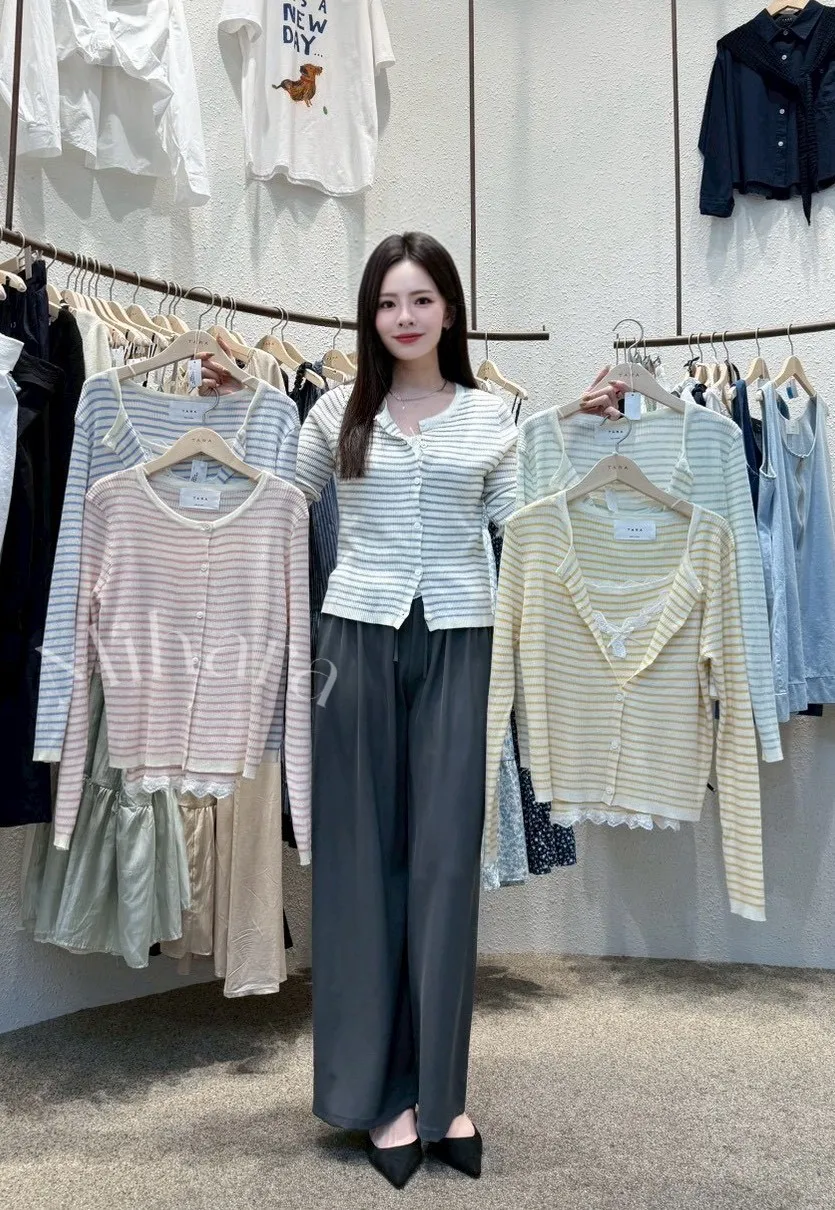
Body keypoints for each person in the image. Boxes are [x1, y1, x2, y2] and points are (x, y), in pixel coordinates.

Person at [200, 232, 624, 1187]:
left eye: (421, 299)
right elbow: (278, 501)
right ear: (371, 314)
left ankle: (440, 1096)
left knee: (442, 868)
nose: (404, 316)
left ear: (449, 311)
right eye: (388, 301)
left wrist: (570, 428)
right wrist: (244, 412)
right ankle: (374, 1096)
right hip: (353, 643)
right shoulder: (336, 416)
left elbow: (522, 519)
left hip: (462, 644)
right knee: (359, 869)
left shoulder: (491, 415)